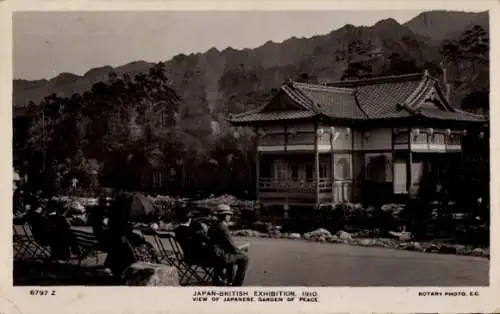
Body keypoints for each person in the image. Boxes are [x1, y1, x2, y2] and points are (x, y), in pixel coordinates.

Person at [208, 204, 249, 286]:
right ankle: (237, 284)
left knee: (233, 255)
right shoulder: (223, 228)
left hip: (213, 255)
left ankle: (229, 279)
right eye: (229, 214)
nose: (230, 216)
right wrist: (242, 249)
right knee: (245, 258)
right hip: (221, 257)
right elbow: (232, 246)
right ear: (225, 215)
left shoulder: (213, 226)